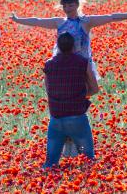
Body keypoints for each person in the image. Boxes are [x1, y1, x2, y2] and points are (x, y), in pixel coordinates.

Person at [11, 0, 127, 79]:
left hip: (82, 66)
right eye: (64, 6)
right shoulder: (59, 22)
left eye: (70, 5)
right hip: (64, 64)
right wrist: (18, 20)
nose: (67, 8)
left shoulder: (86, 21)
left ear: (77, 5)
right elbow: (37, 21)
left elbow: (112, 17)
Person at [42, 32, 99, 168]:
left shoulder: (49, 64)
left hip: (56, 117)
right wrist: (80, 96)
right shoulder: (82, 62)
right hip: (77, 117)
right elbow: (95, 89)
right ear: (74, 46)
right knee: (88, 159)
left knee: (50, 163)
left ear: (58, 47)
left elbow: (47, 89)